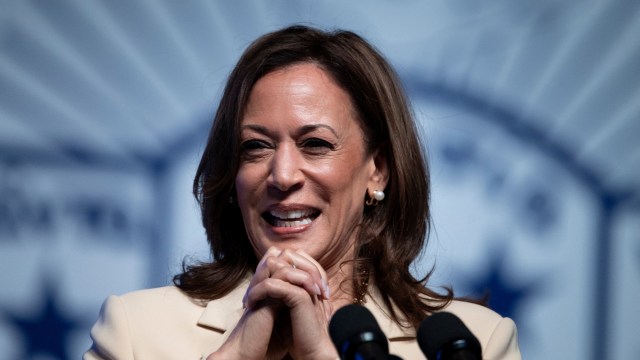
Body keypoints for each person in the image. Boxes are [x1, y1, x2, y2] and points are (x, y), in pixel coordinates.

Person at [85, 25, 521, 359]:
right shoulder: (136, 332)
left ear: (379, 171)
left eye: (315, 144)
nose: (283, 174)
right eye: (255, 147)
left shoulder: (474, 341)